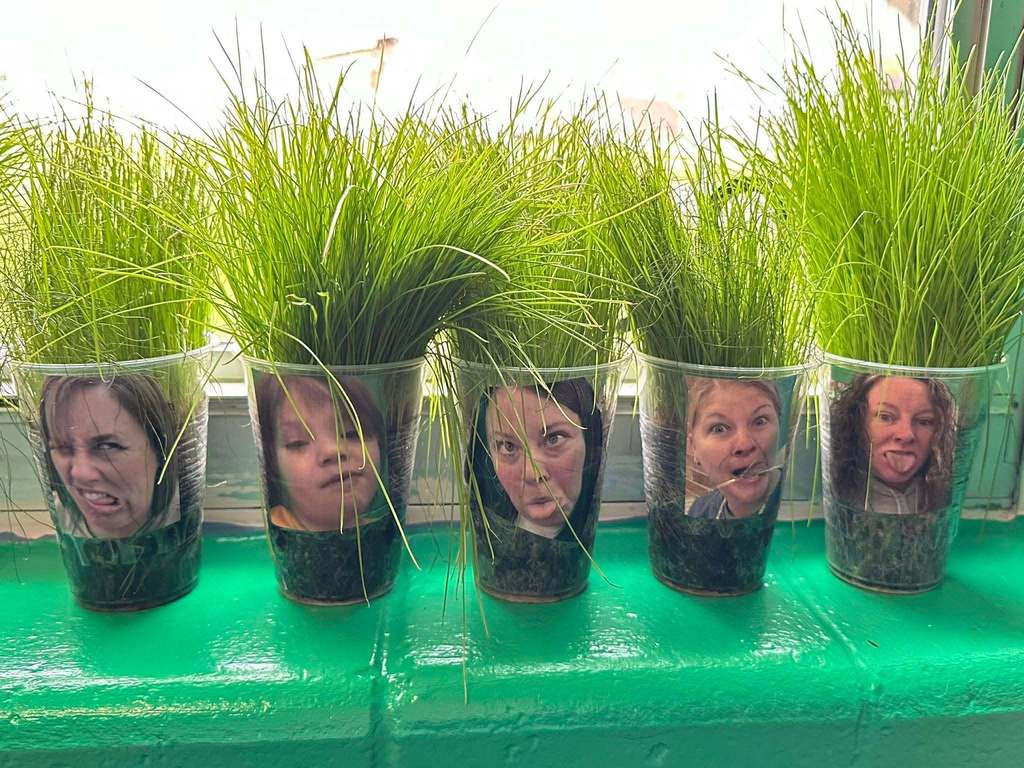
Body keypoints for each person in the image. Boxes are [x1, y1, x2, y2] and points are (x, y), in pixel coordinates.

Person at [40, 374, 180, 539]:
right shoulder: (50, 524)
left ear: (161, 450)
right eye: (63, 446)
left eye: (107, 446)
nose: (81, 473)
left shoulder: (186, 515)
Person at [471, 378, 603, 540]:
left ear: (590, 444)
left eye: (554, 439)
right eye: (508, 446)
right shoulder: (493, 538)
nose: (533, 474)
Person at [255, 373, 386, 532]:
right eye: (297, 442)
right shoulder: (270, 532)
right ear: (272, 464)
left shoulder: (384, 533)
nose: (333, 450)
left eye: (351, 433)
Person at [830, 375, 956, 516]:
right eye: (885, 417)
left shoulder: (946, 496)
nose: (906, 434)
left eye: (924, 421)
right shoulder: (836, 494)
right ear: (856, 421)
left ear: (938, 431)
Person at [685, 377, 784, 520]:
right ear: (692, 447)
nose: (744, 445)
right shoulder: (700, 512)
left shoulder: (797, 513)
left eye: (760, 421)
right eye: (719, 429)